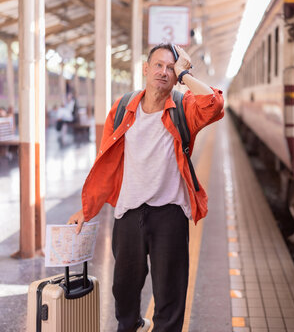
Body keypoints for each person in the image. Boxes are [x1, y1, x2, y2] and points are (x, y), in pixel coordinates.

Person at [67, 44, 224, 332]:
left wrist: (185, 74)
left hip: (170, 215)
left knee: (170, 295)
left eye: (170, 68)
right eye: (158, 66)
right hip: (128, 214)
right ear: (145, 68)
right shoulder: (122, 108)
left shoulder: (183, 107)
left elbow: (214, 105)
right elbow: (107, 163)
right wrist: (87, 209)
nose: (163, 72)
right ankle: (131, 326)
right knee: (124, 292)